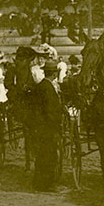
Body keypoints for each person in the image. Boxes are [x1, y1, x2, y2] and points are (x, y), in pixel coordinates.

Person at [32, 60, 61, 191]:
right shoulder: (48, 88)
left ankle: (38, 183)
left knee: (41, 155)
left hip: (39, 126)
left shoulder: (40, 86)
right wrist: (57, 126)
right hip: (48, 127)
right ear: (54, 74)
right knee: (49, 156)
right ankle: (47, 184)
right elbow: (50, 111)